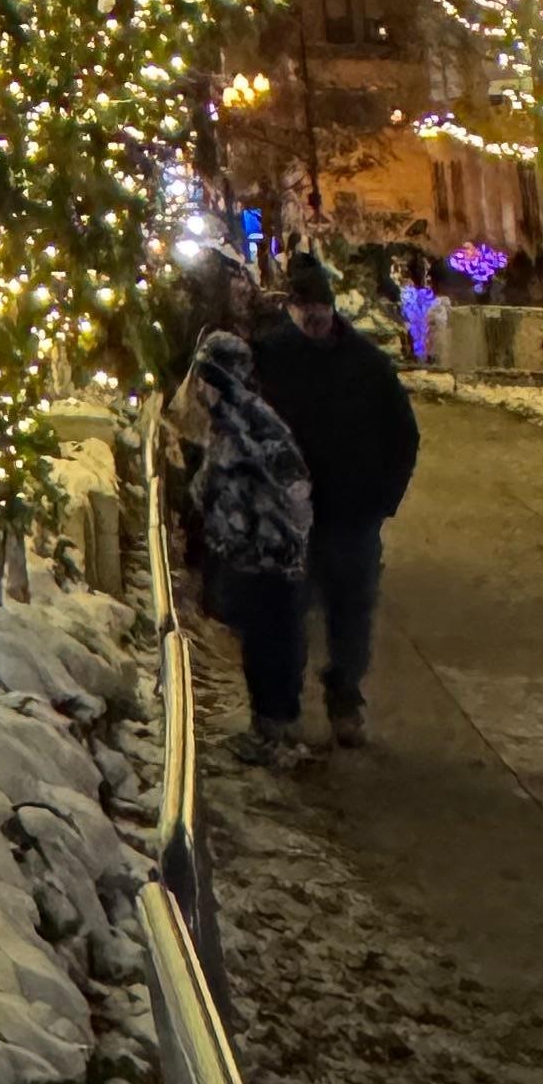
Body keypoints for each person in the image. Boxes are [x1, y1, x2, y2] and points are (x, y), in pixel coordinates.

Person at [255, 248, 420, 747]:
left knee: (352, 608)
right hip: (292, 514)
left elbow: (402, 434)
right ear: (292, 309)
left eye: (320, 307)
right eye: (304, 308)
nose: (314, 317)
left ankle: (345, 694)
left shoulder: (366, 364)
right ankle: (282, 710)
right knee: (287, 613)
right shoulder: (273, 357)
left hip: (351, 512)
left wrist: (382, 496)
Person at [173, 327, 316, 766]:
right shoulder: (229, 420)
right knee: (260, 640)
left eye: (204, 379)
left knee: (271, 641)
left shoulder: (249, 422)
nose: (198, 389)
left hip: (268, 556)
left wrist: (270, 528)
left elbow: (291, 484)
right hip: (253, 553)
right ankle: (271, 724)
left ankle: (277, 729)